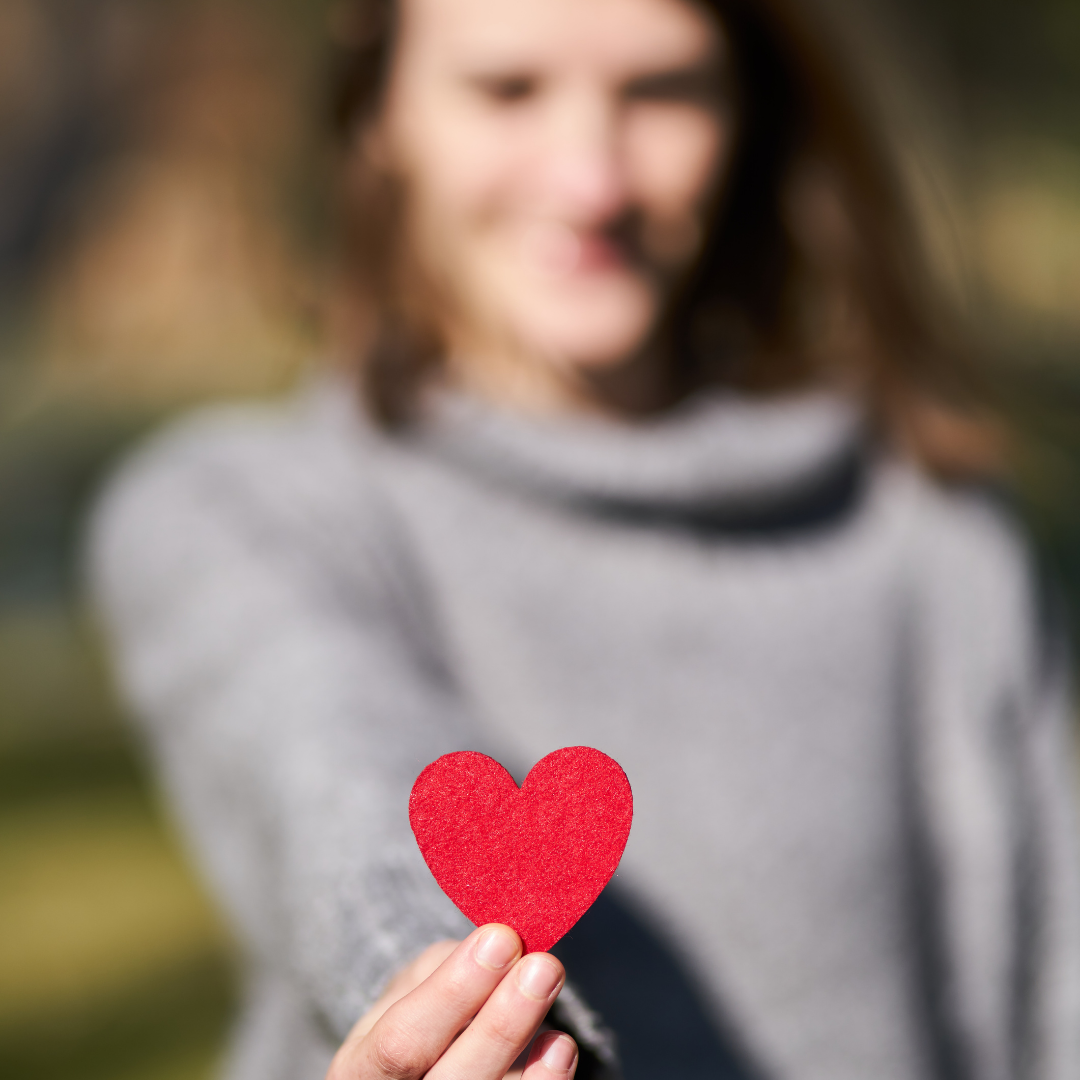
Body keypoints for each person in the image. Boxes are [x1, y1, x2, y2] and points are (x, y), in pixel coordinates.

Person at [88, 0, 1080, 1077]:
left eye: (661, 90)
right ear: (379, 112)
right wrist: (443, 999)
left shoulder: (932, 536)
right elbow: (326, 769)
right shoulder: (237, 510)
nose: (591, 181)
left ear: (750, 107)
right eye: (507, 90)